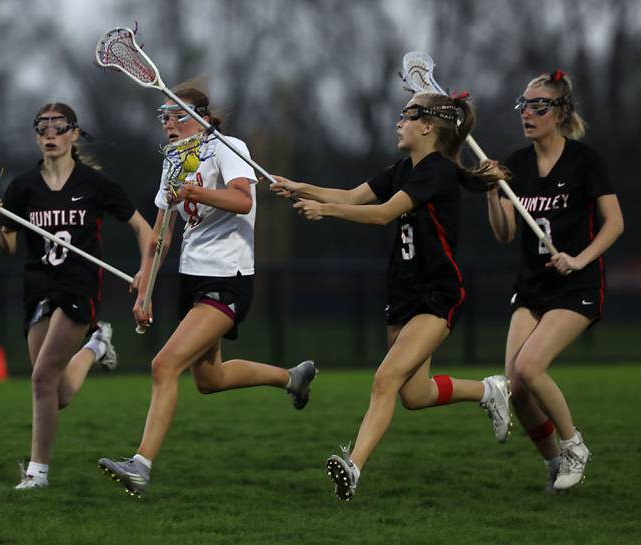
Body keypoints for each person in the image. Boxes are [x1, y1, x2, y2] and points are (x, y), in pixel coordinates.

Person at [271, 92, 511, 501]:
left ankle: (353, 466)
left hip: (436, 294)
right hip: (402, 293)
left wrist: (324, 211)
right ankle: (490, 391)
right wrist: (301, 188)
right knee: (414, 395)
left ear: (428, 126)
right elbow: (351, 196)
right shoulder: (404, 168)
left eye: (407, 115)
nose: (398, 122)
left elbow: (382, 213)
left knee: (384, 379)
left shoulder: (437, 172)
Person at [97, 85, 317, 498]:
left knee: (164, 365)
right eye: (162, 117)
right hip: (192, 277)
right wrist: (145, 286)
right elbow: (161, 232)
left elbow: (242, 200)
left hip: (228, 276)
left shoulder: (228, 147)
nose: (166, 123)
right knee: (209, 379)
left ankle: (140, 466)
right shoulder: (174, 163)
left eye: (173, 115)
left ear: (198, 116)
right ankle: (292, 378)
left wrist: (196, 192)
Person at [0, 102, 153, 489]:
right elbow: (6, 246)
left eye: (59, 128)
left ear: (74, 134)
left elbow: (144, 229)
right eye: (43, 128)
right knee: (54, 393)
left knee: (40, 378)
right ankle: (95, 345)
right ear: (37, 136)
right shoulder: (23, 186)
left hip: (79, 285)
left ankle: (37, 473)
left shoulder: (95, 184)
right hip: (37, 286)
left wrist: (145, 273)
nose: (51, 135)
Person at [485, 70, 623, 492]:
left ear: (560, 113)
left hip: (575, 286)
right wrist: (493, 191)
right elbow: (506, 234)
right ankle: (554, 461)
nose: (527, 113)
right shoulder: (517, 164)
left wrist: (579, 259)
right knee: (517, 388)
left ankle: (574, 444)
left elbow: (614, 224)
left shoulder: (585, 161)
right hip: (532, 287)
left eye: (537, 106)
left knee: (529, 367)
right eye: (523, 105)